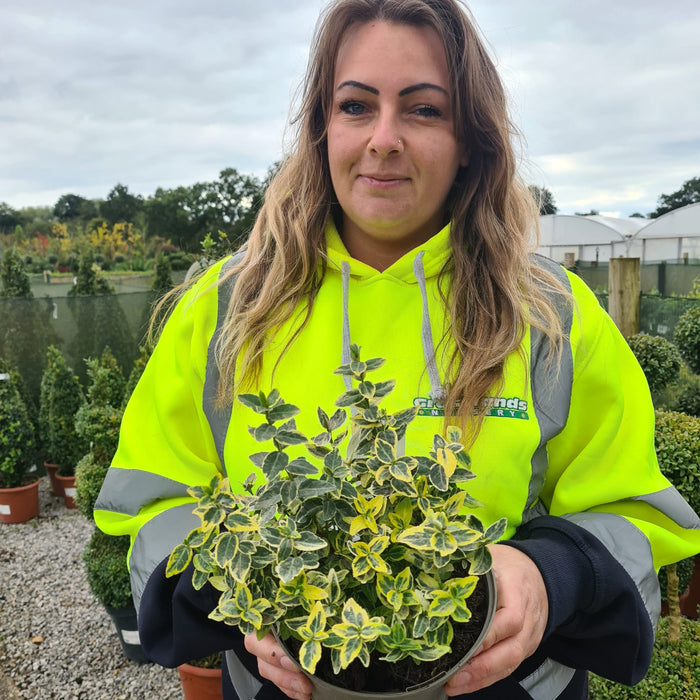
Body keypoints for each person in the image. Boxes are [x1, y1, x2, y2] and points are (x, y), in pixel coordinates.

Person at [94, 1, 700, 698]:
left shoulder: (552, 317)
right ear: (322, 127)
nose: (383, 138)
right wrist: (233, 597)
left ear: (470, 137)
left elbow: (636, 516)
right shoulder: (227, 308)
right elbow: (153, 503)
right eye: (356, 105)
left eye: (423, 110)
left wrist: (549, 576)